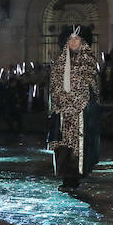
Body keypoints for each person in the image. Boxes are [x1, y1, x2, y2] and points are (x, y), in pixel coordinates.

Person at [47, 25, 100, 191]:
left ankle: (75, 177)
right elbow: (54, 84)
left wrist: (80, 102)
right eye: (70, 39)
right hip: (63, 111)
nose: (73, 42)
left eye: (76, 39)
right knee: (63, 145)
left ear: (82, 41)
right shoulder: (59, 61)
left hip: (80, 111)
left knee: (79, 145)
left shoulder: (88, 61)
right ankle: (66, 176)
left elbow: (92, 85)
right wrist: (60, 101)